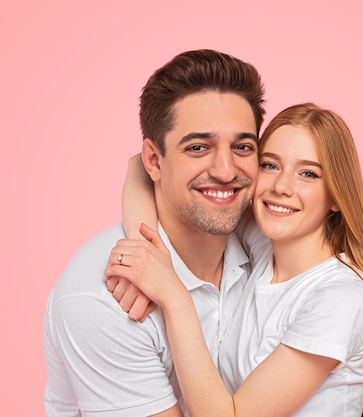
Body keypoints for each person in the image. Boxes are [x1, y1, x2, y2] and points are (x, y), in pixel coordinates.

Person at [107, 103, 363, 416]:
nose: (281, 187)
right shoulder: (264, 245)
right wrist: (142, 249)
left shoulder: (340, 300)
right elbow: (141, 167)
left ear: (335, 196)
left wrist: (173, 295)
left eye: (308, 174)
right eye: (271, 166)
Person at [43, 49, 266, 417]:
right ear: (153, 160)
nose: (226, 170)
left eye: (242, 147)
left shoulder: (264, 241)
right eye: (198, 147)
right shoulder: (101, 300)